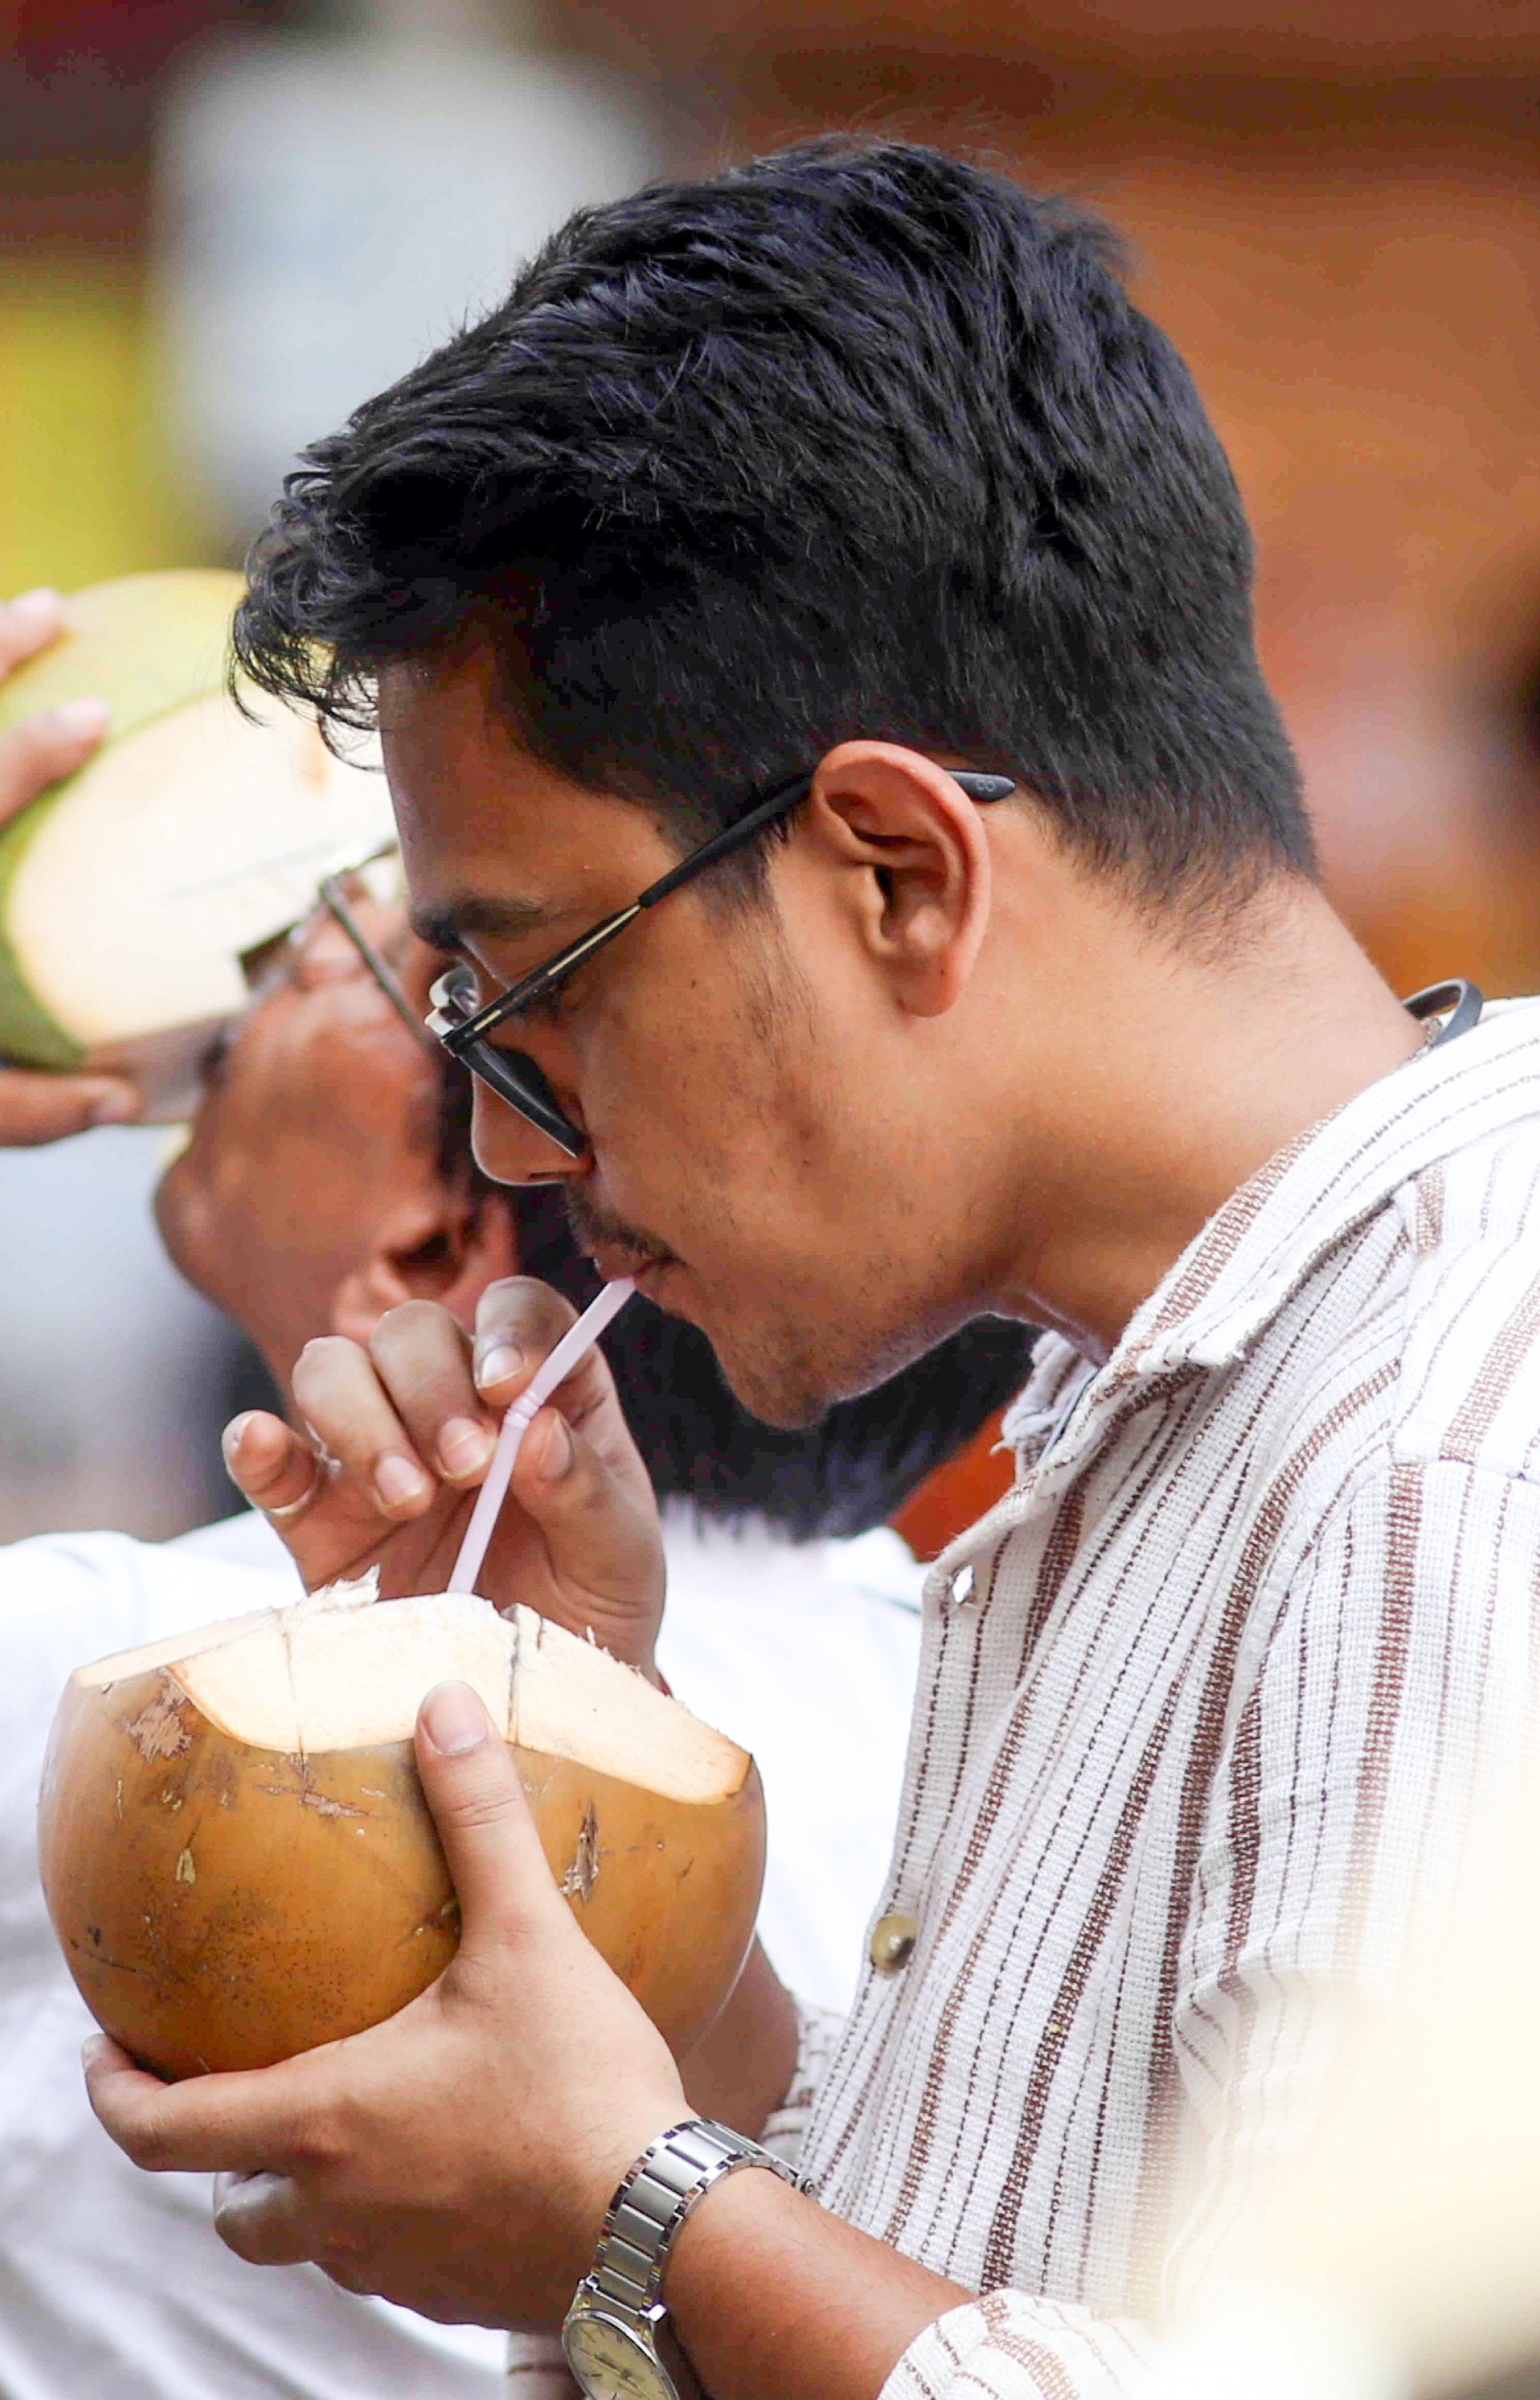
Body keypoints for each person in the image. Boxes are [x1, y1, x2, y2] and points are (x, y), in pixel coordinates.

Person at [81, 137, 1540, 2400]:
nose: (498, 1140)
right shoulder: (1155, 1386)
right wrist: (611, 1883)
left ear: (889, 871)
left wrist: (633, 2220)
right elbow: (1067, 2275)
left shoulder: (1456, 1454)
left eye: (530, 991)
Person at [0, 589, 1030, 2398]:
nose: (271, 948)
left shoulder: (137, 1700)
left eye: (420, 961)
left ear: (437, 1225)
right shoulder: (965, 1718)